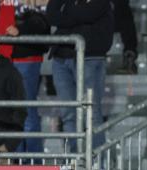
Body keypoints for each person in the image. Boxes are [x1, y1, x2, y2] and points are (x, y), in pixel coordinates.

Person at [46, 0, 113, 150]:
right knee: (68, 115)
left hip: (89, 58)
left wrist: (66, 14)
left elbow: (87, 14)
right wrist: (74, 13)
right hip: (61, 58)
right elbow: (51, 15)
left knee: (91, 114)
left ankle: (95, 166)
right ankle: (74, 162)